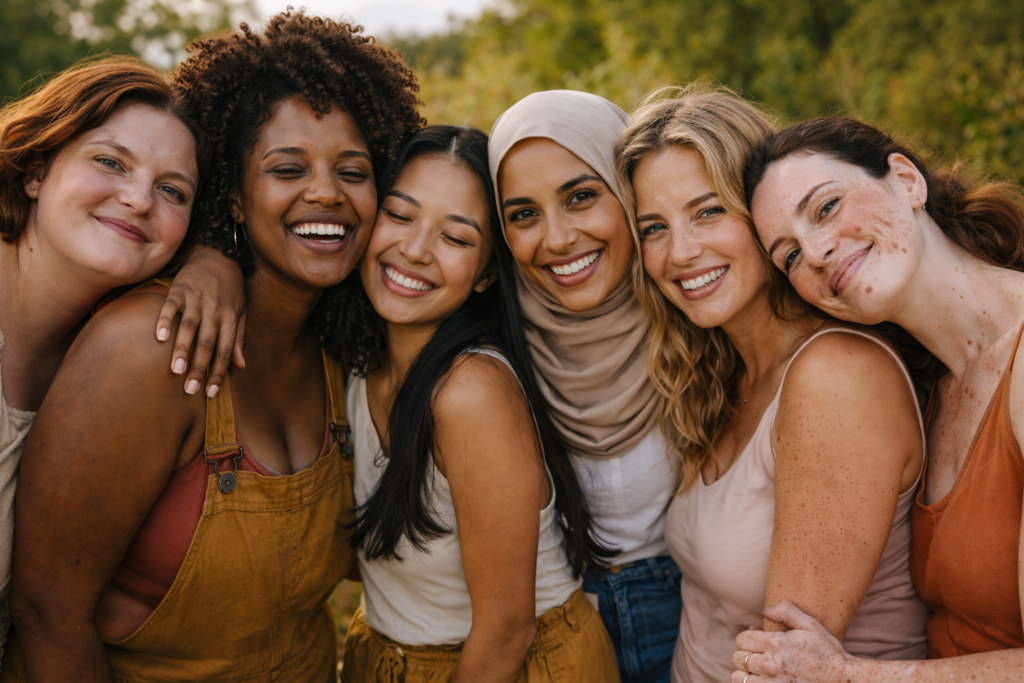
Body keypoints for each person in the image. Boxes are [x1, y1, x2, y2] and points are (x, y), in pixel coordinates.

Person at [1, 12, 422, 680]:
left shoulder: (353, 346)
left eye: (354, 170)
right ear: (232, 193)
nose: (326, 192)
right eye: (288, 168)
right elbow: (48, 613)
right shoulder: (152, 345)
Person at [615, 87, 928, 683]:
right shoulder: (721, 372)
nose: (680, 252)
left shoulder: (838, 375)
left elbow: (784, 670)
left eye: (708, 211)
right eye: (653, 227)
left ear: (762, 212)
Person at [731, 116, 1024, 681]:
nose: (814, 253)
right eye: (787, 257)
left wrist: (849, 675)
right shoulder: (933, 384)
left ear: (908, 180)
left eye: (826, 208)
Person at [340, 124, 618, 683]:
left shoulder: (471, 392)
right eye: (399, 215)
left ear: (489, 270)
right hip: (390, 653)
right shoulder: (353, 361)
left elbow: (506, 628)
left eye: (456, 237)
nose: (415, 250)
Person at [0, 54, 253, 662]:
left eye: (172, 191)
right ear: (37, 169)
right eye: (110, 162)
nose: (139, 200)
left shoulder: (112, 352)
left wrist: (217, 265)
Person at [488, 90, 681, 683]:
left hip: (705, 621)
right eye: (522, 214)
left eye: (581, 197)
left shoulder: (698, 308)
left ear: (628, 193)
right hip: (562, 634)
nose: (558, 237)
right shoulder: (494, 340)